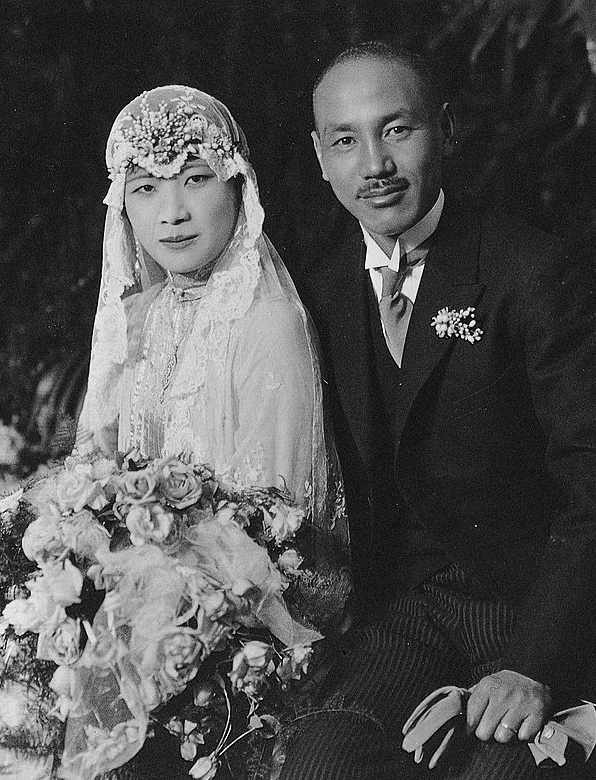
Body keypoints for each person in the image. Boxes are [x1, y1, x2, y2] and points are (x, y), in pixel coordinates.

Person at [278, 41, 596, 780]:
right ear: (320, 156)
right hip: (407, 619)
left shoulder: (531, 270)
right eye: (346, 140)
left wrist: (535, 662)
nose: (375, 165)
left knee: (501, 773)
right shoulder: (315, 293)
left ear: (445, 129)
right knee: (320, 764)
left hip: (531, 609)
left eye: (397, 129)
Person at [72, 85, 349, 779]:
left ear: (239, 186)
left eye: (196, 180)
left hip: (234, 636)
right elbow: (93, 476)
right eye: (145, 188)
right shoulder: (136, 321)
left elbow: (277, 530)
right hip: (122, 615)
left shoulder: (268, 325)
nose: (171, 214)